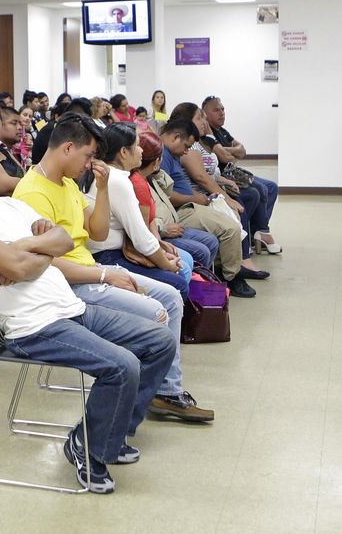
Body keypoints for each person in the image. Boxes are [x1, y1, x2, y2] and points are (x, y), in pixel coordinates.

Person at [0, 128, 176, 493]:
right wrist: (35, 253)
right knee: (122, 365)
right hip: (32, 328)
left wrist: (24, 247)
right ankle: (91, 448)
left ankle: (107, 431)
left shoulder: (12, 206)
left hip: (70, 307)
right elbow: (20, 268)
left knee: (160, 340)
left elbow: (64, 240)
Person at [13, 113, 213, 422]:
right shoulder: (32, 193)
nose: (90, 163)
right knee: (156, 312)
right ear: (67, 148)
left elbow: (98, 231)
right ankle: (137, 401)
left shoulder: (66, 183)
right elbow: (47, 263)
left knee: (171, 296)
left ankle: (165, 391)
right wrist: (107, 274)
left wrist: (103, 189)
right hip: (70, 285)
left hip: (89, 272)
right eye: (88, 155)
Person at [84, 123, 194, 300]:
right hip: (106, 257)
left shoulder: (110, 174)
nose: (142, 150)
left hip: (112, 251)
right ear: (124, 152)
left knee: (180, 265)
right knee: (178, 283)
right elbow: (142, 239)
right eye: (137, 145)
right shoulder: (117, 180)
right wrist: (166, 265)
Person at [157, 119, 260, 296]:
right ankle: (232, 276)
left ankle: (228, 268)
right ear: (176, 137)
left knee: (232, 219)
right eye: (186, 146)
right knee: (229, 228)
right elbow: (165, 196)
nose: (186, 152)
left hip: (190, 204)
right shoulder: (162, 156)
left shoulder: (170, 153)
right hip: (180, 210)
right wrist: (195, 198)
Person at [202, 95, 281, 254]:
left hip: (234, 171)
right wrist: (231, 152)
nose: (222, 113)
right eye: (216, 110)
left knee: (271, 187)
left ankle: (257, 232)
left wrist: (228, 151)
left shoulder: (222, 131)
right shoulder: (207, 135)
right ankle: (258, 234)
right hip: (225, 175)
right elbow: (225, 157)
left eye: (223, 109)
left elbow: (242, 150)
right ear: (205, 115)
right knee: (258, 190)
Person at [132, 131, 219, 271]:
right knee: (201, 251)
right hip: (163, 230)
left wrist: (156, 171)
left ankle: (203, 279)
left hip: (171, 222)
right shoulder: (137, 183)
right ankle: (196, 281)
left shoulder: (149, 175)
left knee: (211, 241)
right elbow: (142, 223)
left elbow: (167, 189)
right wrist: (163, 230)